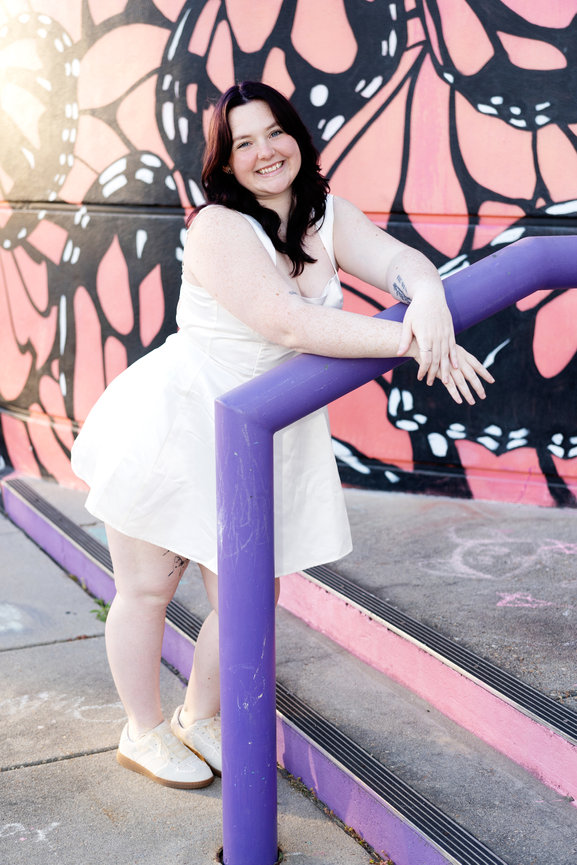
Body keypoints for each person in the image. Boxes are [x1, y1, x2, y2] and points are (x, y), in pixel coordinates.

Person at [71, 81, 494, 790]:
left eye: (274, 132)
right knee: (148, 587)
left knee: (247, 595)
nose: (264, 151)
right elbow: (287, 324)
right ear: (224, 163)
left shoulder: (323, 215)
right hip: (179, 422)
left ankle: (199, 714)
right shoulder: (217, 228)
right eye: (243, 142)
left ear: (295, 134)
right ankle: (140, 730)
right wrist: (418, 343)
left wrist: (426, 296)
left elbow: (400, 262)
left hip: (261, 433)